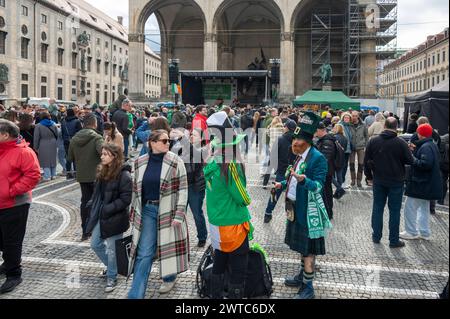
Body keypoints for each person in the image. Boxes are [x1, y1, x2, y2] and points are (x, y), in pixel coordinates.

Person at [275, 112, 331, 299]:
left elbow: (318, 186)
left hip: (308, 212)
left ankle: (308, 287)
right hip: (295, 209)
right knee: (301, 248)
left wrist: (304, 180)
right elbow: (292, 178)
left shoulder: (317, 158)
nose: (294, 143)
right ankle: (302, 276)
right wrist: (281, 184)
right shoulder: (299, 156)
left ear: (306, 141)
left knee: (308, 251)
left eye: (297, 140)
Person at [128, 130, 189, 299]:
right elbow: (135, 190)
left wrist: (179, 214)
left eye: (169, 140)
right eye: (163, 140)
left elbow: (183, 190)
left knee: (166, 248)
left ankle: (169, 277)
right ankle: (135, 295)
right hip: (147, 210)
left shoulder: (175, 161)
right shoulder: (139, 162)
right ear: (152, 143)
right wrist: (132, 212)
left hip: (168, 211)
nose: (167, 143)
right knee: (145, 253)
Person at [204, 111, 253, 299]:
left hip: (216, 223)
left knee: (220, 261)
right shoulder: (229, 164)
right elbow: (242, 197)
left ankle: (215, 295)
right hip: (232, 224)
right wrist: (248, 198)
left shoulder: (212, 162)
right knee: (238, 268)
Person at [0, 119, 41, 293]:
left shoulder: (25, 152)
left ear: (5, 135)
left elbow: (33, 175)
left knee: (12, 241)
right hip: (1, 203)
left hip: (15, 204)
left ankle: (14, 274)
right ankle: (8, 263)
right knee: (2, 240)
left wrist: (11, 190)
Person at [87, 143, 132, 293]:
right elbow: (99, 193)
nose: (102, 156)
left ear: (114, 156)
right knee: (95, 243)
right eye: (102, 154)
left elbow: (126, 199)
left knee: (113, 250)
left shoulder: (124, 174)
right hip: (102, 214)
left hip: (115, 218)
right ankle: (113, 267)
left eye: (105, 154)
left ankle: (112, 276)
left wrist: (108, 208)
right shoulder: (102, 170)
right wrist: (93, 203)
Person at [364, 118, 414, 248]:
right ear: (396, 127)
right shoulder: (401, 143)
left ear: (384, 126)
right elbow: (410, 161)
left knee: (377, 208)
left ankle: (376, 236)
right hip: (396, 181)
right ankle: (393, 240)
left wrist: (369, 176)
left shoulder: (373, 141)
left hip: (379, 180)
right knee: (395, 211)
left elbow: (366, 161)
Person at [401, 124, 443, 241]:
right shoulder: (431, 145)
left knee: (409, 207)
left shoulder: (426, 147)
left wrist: (412, 158)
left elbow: (425, 164)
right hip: (427, 183)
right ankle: (424, 232)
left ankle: (411, 231)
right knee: (423, 208)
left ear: (421, 134)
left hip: (421, 183)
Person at [68, 114, 104, 241]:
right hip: (97, 175)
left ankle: (85, 231)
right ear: (95, 124)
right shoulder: (97, 137)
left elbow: (70, 158)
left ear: (83, 124)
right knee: (98, 202)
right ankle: (97, 230)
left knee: (85, 202)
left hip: (82, 175)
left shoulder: (74, 139)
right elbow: (103, 153)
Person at [263, 119, 297, 223]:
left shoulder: (280, 139)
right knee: (293, 195)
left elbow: (273, 156)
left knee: (275, 194)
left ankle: (268, 213)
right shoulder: (297, 140)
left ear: (286, 128)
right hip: (294, 171)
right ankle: (292, 217)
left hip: (282, 171)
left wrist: (277, 169)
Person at [315, 122, 337, 220]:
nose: (315, 133)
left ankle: (328, 213)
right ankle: (326, 212)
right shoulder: (323, 140)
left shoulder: (327, 142)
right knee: (325, 192)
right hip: (325, 171)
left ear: (321, 130)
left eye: (316, 131)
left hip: (326, 172)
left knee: (326, 193)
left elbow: (324, 159)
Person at [34, 112, 58, 182]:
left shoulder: (38, 125)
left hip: (43, 143)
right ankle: (53, 175)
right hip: (53, 142)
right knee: (53, 158)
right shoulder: (53, 124)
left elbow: (36, 137)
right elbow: (57, 134)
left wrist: (35, 147)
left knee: (45, 160)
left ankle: (47, 176)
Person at [61, 108, 83, 179]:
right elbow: (80, 133)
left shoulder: (63, 121)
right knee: (76, 158)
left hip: (66, 141)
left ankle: (68, 174)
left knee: (68, 157)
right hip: (75, 141)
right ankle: (76, 173)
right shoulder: (77, 121)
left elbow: (62, 132)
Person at [349, 111, 368, 187]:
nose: (354, 117)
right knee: (351, 164)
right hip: (352, 147)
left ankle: (359, 180)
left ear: (358, 116)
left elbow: (366, 136)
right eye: (352, 116)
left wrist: (366, 146)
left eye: (355, 116)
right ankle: (353, 179)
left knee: (361, 164)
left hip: (361, 147)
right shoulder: (349, 124)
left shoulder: (363, 125)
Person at [331, 124, 348, 199]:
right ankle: (338, 192)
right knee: (339, 175)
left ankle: (339, 189)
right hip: (342, 158)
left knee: (330, 175)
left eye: (334, 128)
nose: (333, 129)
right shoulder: (345, 138)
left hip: (335, 158)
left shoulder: (334, 137)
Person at [339, 113, 353, 188]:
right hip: (342, 149)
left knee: (344, 166)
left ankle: (342, 182)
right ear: (343, 118)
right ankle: (341, 182)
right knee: (342, 166)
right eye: (345, 118)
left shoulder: (348, 126)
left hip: (347, 149)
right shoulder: (340, 125)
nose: (347, 119)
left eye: (348, 118)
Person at [438, 132, 449, 205]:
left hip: (443, 164)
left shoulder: (443, 138)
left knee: (442, 181)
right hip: (444, 163)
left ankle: (440, 200)